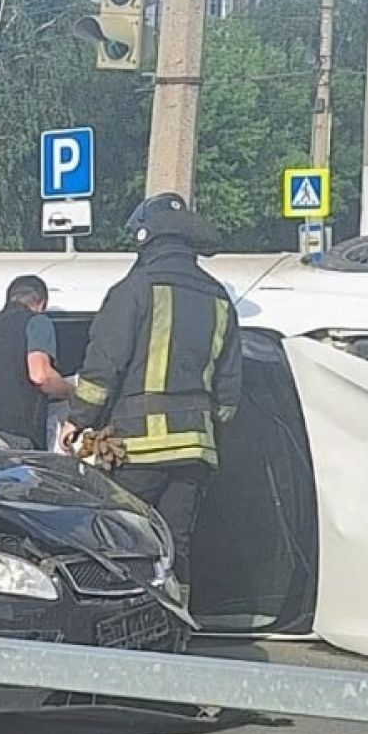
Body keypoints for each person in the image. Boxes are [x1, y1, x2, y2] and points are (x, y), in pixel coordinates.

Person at [62, 193, 243, 594]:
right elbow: (229, 394)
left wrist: (78, 421)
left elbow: (102, 366)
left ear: (148, 240)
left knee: (125, 541)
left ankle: (129, 626)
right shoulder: (219, 298)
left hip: (136, 448)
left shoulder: (136, 288)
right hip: (195, 449)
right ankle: (178, 627)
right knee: (176, 545)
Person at [0, 275, 73, 448]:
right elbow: (40, 376)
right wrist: (72, 392)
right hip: (17, 439)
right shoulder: (37, 321)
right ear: (41, 304)